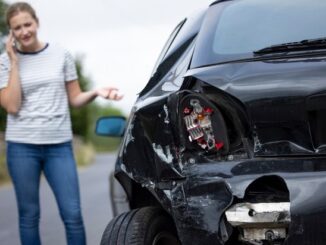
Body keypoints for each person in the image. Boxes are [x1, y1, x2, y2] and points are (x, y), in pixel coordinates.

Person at [0, 2, 123, 245]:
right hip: (22, 147)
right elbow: (12, 106)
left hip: (59, 146)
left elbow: (75, 98)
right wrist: (14, 62)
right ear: (11, 32)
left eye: (28, 24)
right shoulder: (5, 62)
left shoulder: (60, 54)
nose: (24, 31)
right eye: (17, 28)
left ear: (37, 23)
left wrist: (96, 92)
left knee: (73, 215)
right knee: (29, 216)